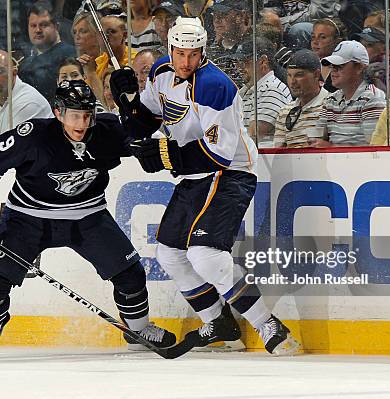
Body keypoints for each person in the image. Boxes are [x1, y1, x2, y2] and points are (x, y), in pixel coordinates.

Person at [109, 17, 300, 355]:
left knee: (206, 255)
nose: (186, 62)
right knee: (169, 253)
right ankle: (219, 323)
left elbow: (218, 154)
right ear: (170, 50)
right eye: (180, 53)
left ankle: (267, 324)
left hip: (230, 174)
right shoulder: (161, 73)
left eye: (193, 54)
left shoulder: (215, 86)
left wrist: (163, 154)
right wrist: (128, 103)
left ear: (203, 52)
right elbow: (149, 120)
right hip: (195, 176)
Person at [0, 79, 177, 355]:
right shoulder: (33, 134)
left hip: (88, 216)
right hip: (27, 217)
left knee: (130, 274)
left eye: (86, 115)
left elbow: (147, 136)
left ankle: (139, 329)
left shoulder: (106, 130)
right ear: (58, 113)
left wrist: (136, 115)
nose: (81, 123)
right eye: (73, 115)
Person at [312, 40, 386, 146]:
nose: (333, 70)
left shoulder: (374, 100)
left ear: (359, 68)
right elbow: (317, 139)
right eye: (332, 66)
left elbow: (374, 151)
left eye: (339, 66)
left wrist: (330, 147)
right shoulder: (330, 101)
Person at [231, 37, 292, 147]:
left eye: (245, 62)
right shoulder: (247, 90)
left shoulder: (272, 89)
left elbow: (253, 136)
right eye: (237, 62)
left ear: (263, 61)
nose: (239, 68)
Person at [18, 1, 75, 104]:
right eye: (33, 25)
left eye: (44, 25)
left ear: (56, 27)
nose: (38, 30)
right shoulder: (25, 63)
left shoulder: (70, 56)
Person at [274, 50, 329, 148]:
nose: (292, 81)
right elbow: (279, 152)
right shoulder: (284, 112)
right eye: (289, 75)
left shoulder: (332, 106)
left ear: (316, 75)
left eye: (299, 75)